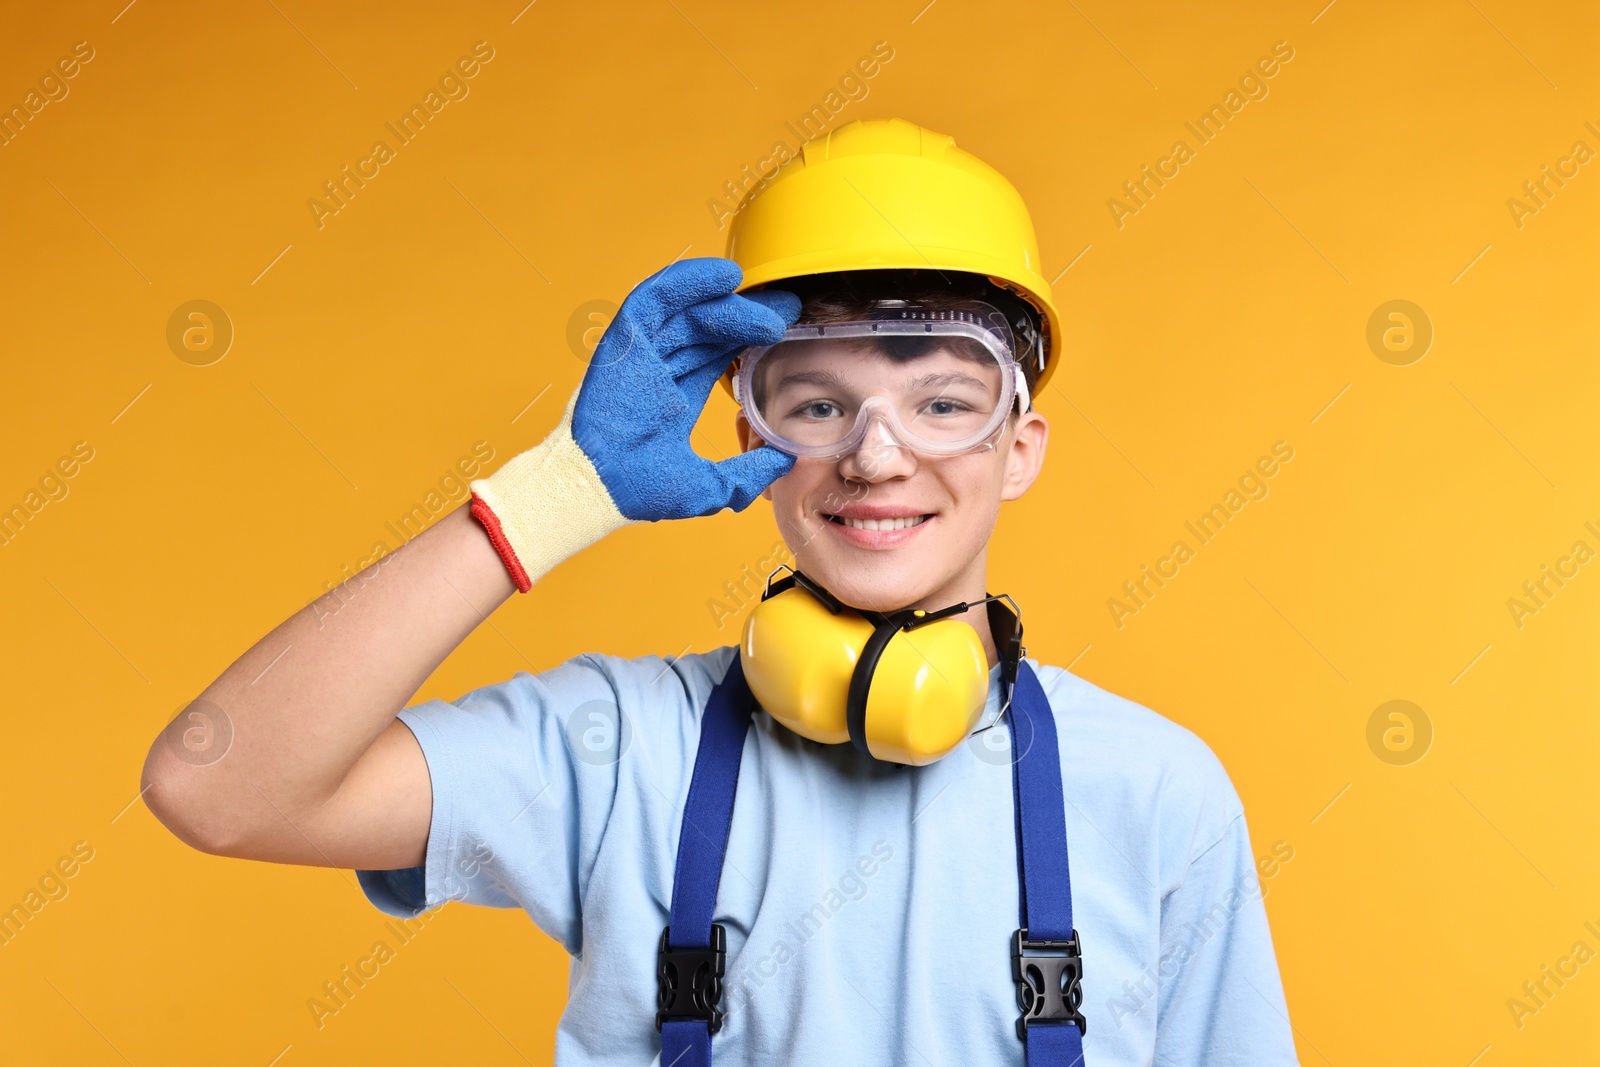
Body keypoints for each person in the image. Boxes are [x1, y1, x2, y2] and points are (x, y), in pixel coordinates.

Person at [142, 118, 1300, 1065]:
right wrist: (553, 498)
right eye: (814, 401)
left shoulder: (1153, 790)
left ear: (1020, 444)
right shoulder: (614, 749)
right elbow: (219, 784)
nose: (876, 454)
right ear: (744, 428)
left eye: (946, 400)